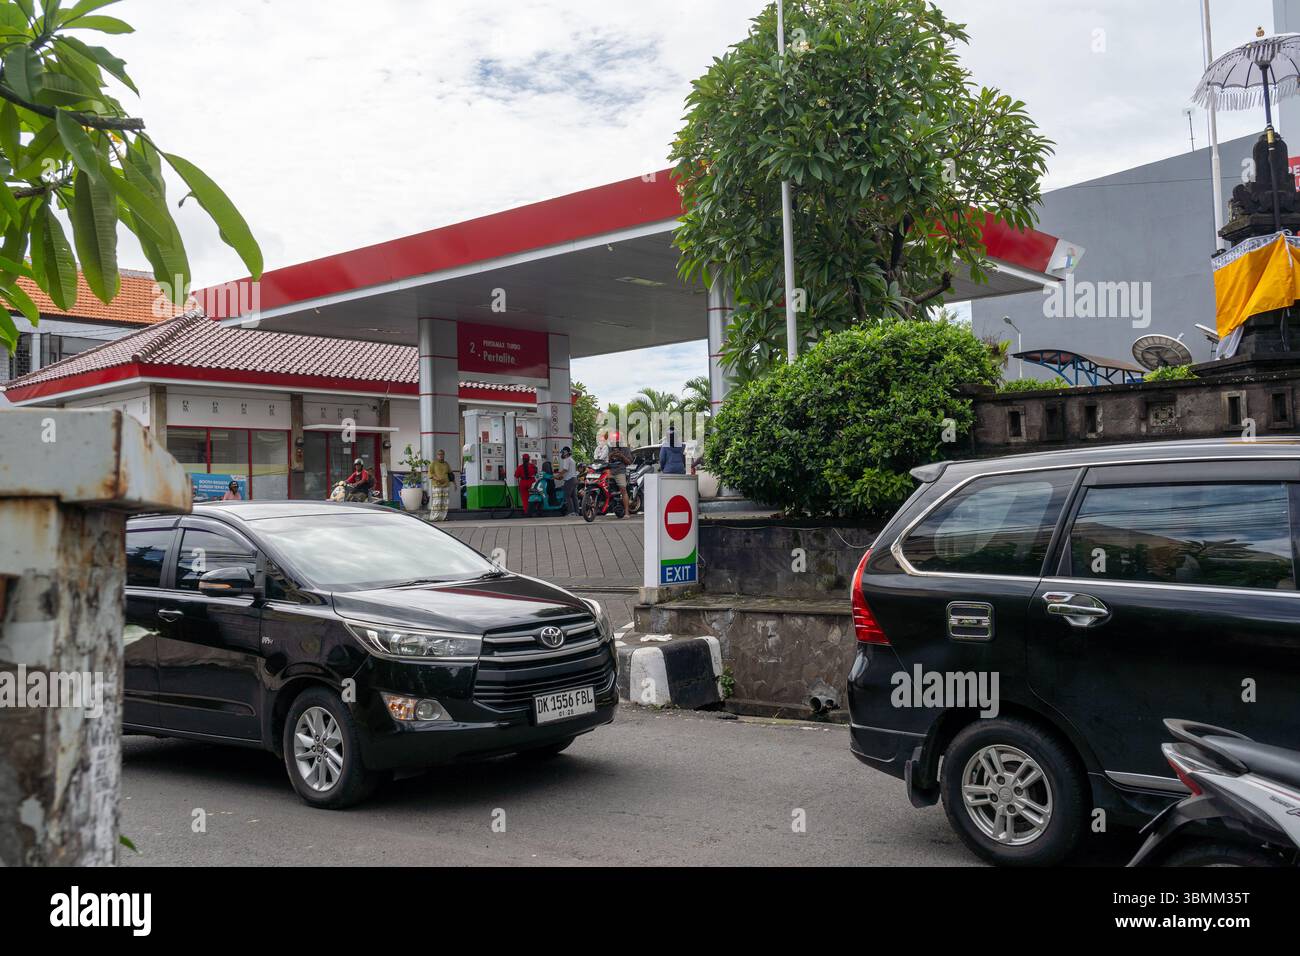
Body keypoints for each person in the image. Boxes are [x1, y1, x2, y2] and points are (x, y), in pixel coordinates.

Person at [428, 448, 454, 521]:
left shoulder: (446, 464)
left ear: (444, 455)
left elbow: (450, 474)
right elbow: (430, 474)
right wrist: (437, 479)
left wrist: (454, 483)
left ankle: (442, 517)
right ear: (437, 455)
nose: (441, 456)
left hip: (446, 485)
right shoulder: (433, 464)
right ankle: (434, 518)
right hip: (437, 486)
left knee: (445, 502)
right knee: (437, 502)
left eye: (442, 454)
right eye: (439, 454)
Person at [608, 444, 632, 517]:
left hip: (620, 471)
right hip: (609, 470)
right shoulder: (609, 447)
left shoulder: (625, 449)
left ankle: (627, 512)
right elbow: (605, 459)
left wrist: (621, 456)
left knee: (623, 490)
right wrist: (611, 455)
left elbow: (629, 462)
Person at [559, 446, 579, 515]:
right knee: (574, 496)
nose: (562, 454)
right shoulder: (572, 460)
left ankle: (571, 512)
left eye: (563, 452)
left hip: (569, 480)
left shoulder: (566, 459)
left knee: (567, 496)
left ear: (566, 453)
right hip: (574, 479)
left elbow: (565, 469)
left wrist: (558, 475)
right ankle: (577, 512)